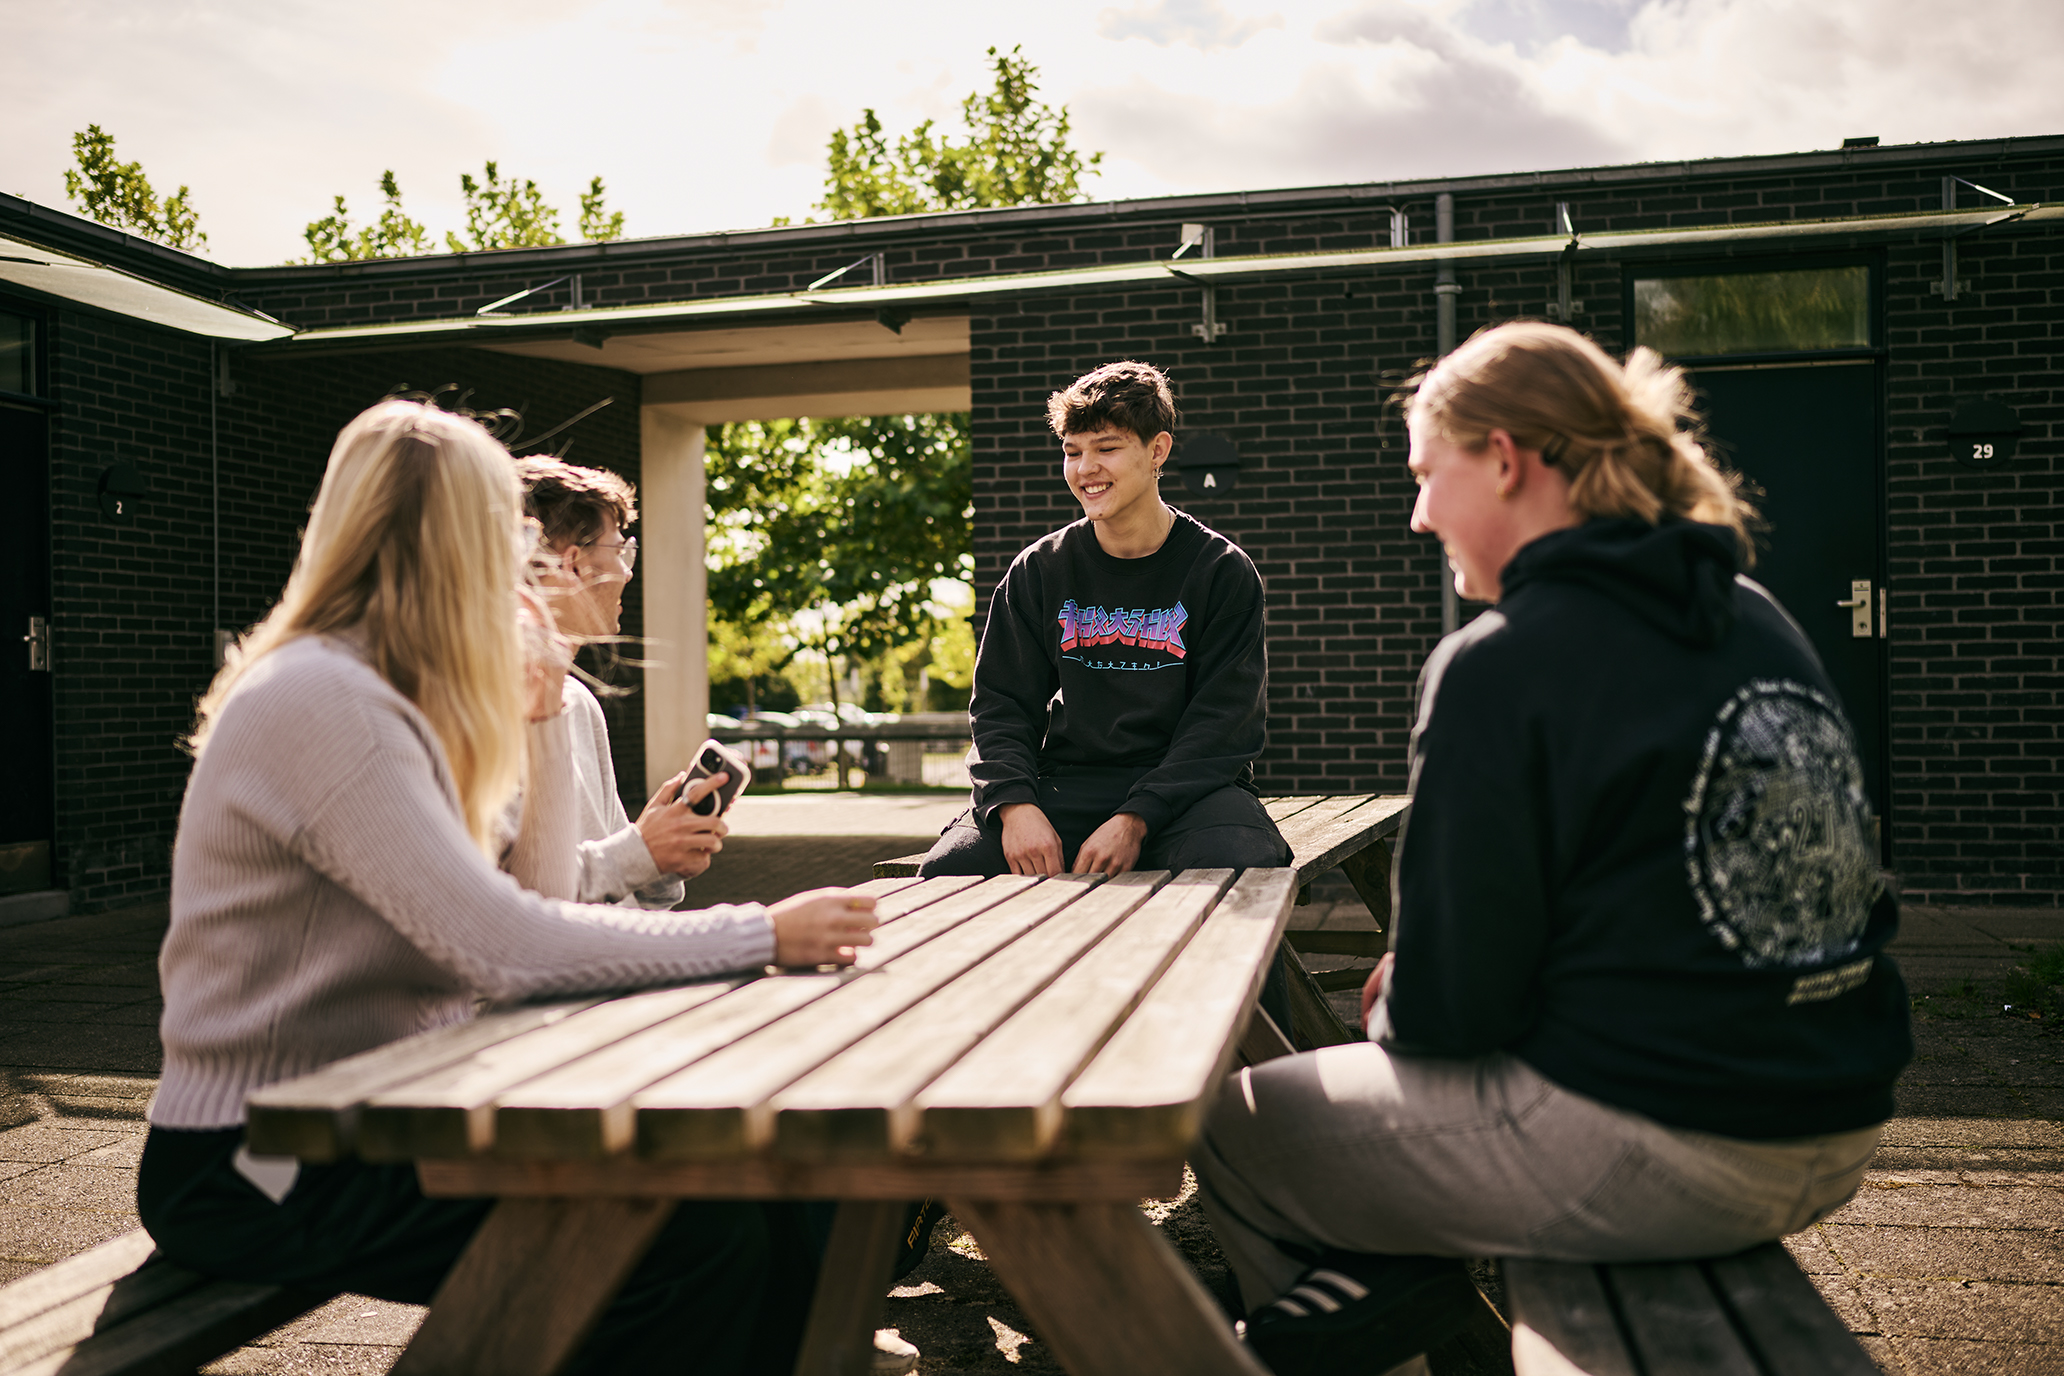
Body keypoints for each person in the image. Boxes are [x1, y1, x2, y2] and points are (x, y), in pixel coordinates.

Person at [1191, 323, 1913, 1375]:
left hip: (1676, 1144)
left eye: (1429, 474)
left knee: (1230, 1124)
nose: (1419, 512)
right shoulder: (1752, 613)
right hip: (1837, 1111)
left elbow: (1448, 1017)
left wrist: (1398, 991)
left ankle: (1372, 1313)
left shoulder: (1500, 662)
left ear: (1505, 458)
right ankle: (1386, 1281)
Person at [139, 400, 878, 1376]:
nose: (524, 550)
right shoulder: (322, 694)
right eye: (505, 525)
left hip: (403, 1105)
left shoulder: (405, 688)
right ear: (449, 536)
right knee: (694, 1237)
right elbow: (503, 943)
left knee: (783, 1179)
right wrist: (761, 931)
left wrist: (528, 715)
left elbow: (531, 908)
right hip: (261, 1160)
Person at [919, 360, 1289, 879]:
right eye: (1073, 452)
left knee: (1242, 867)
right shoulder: (1040, 570)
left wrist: (1137, 817)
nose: (1085, 468)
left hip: (1186, 791)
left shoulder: (1220, 571)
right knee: (953, 870)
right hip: (1067, 781)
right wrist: (1014, 806)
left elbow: (1225, 725)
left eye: (1106, 448)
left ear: (1157, 450)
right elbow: (1001, 706)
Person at [516, 455, 718, 907]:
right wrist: (640, 849)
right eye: (620, 550)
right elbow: (526, 905)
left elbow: (621, 899)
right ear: (572, 565)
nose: (628, 571)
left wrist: (658, 861)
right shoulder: (477, 709)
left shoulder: (579, 703)